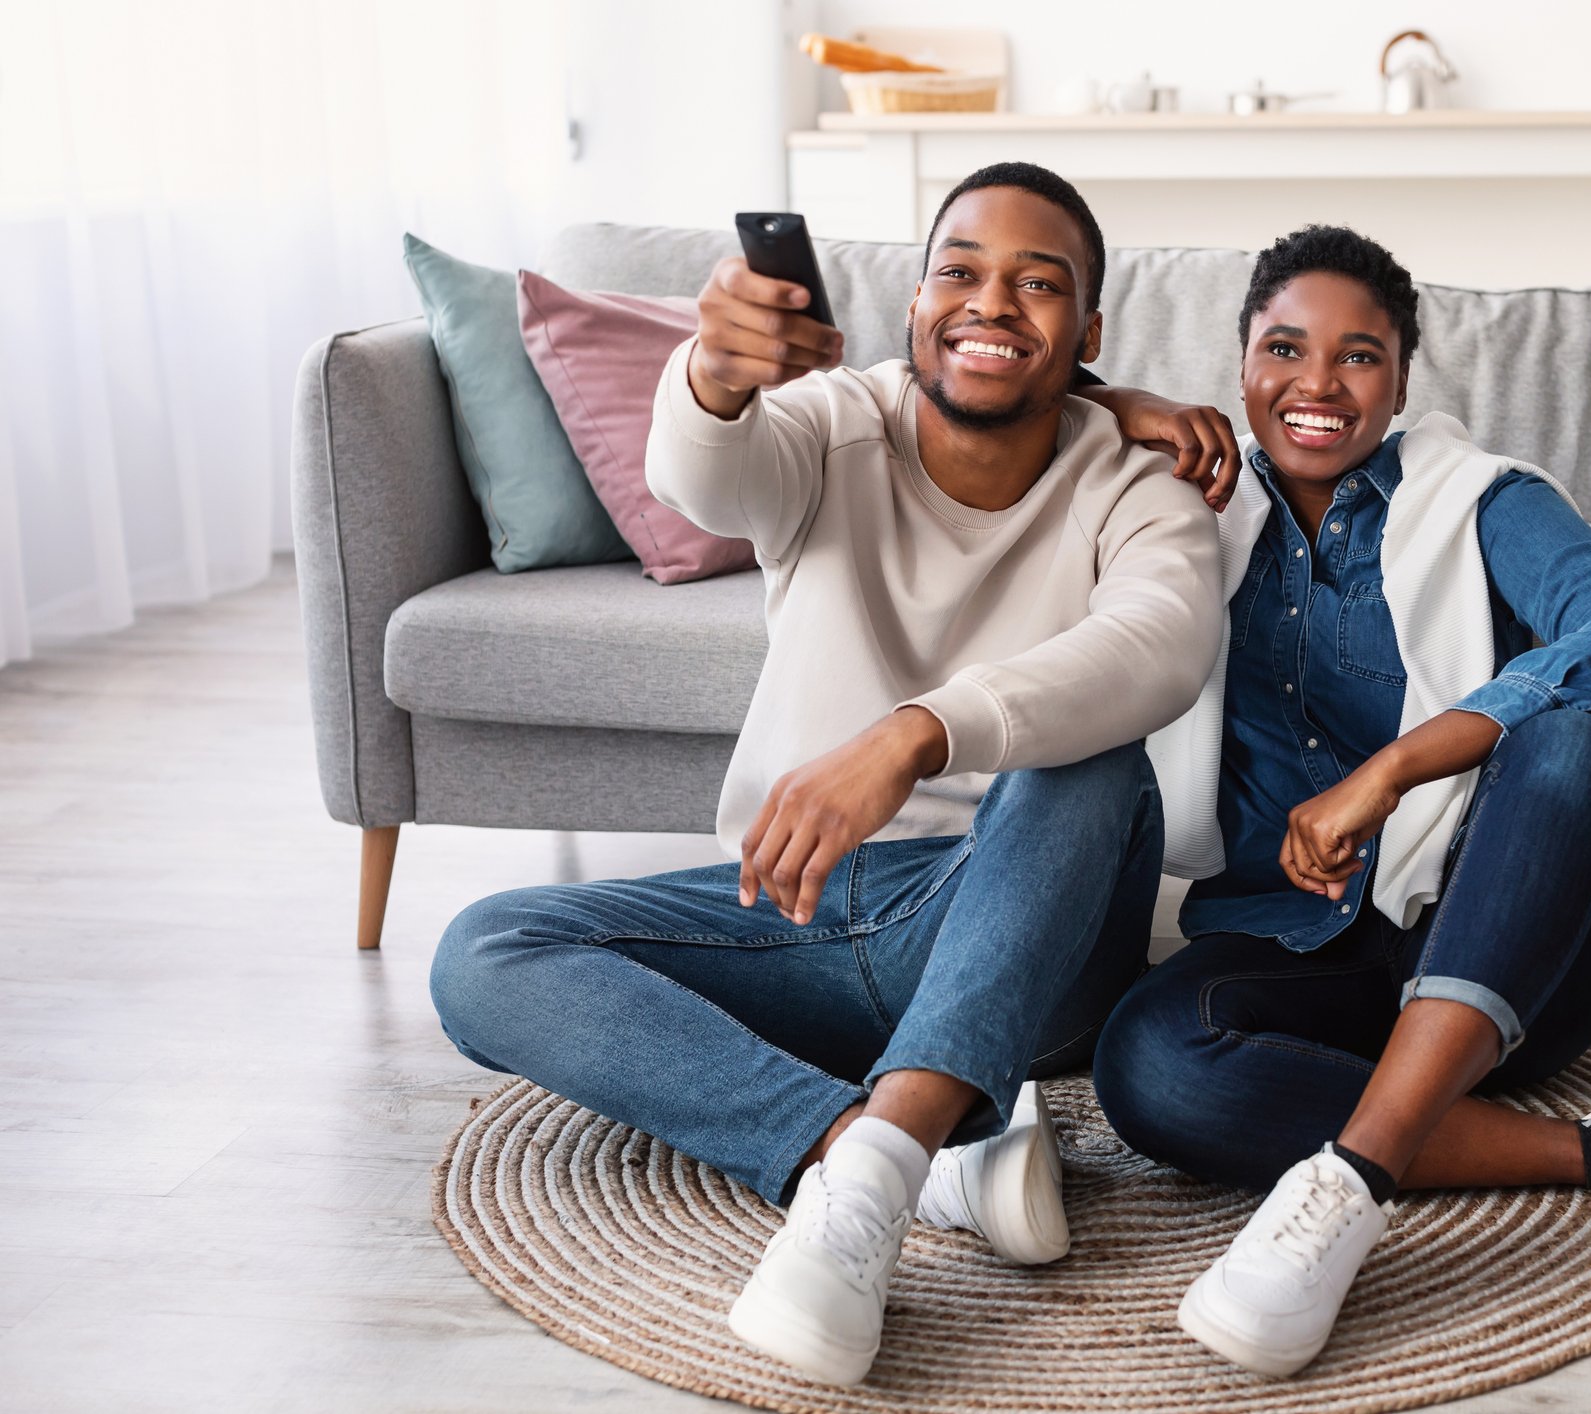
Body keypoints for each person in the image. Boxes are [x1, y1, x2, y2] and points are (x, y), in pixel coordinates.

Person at [427, 162, 1228, 1388]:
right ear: (912, 307)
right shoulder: (829, 421)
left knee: (1093, 764)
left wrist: (913, 732)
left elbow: (1160, 644)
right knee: (485, 949)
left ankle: (866, 1188)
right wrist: (713, 375)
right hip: (802, 908)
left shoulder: (1136, 480)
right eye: (959, 271)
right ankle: (901, 1153)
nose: (991, 302)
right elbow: (701, 479)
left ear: (1091, 333)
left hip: (1022, 926)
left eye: (1038, 284)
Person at [1088, 226, 1591, 1379]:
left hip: (1504, 947)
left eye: (1358, 356)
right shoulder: (1187, 507)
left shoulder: (1482, 501)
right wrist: (1113, 401)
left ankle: (1352, 1182)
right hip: (1298, 948)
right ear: (1238, 367)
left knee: (1572, 744)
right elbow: (992, 402)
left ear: (1403, 380)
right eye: (1285, 347)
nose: (1317, 385)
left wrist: (1395, 770)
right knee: (1150, 1066)